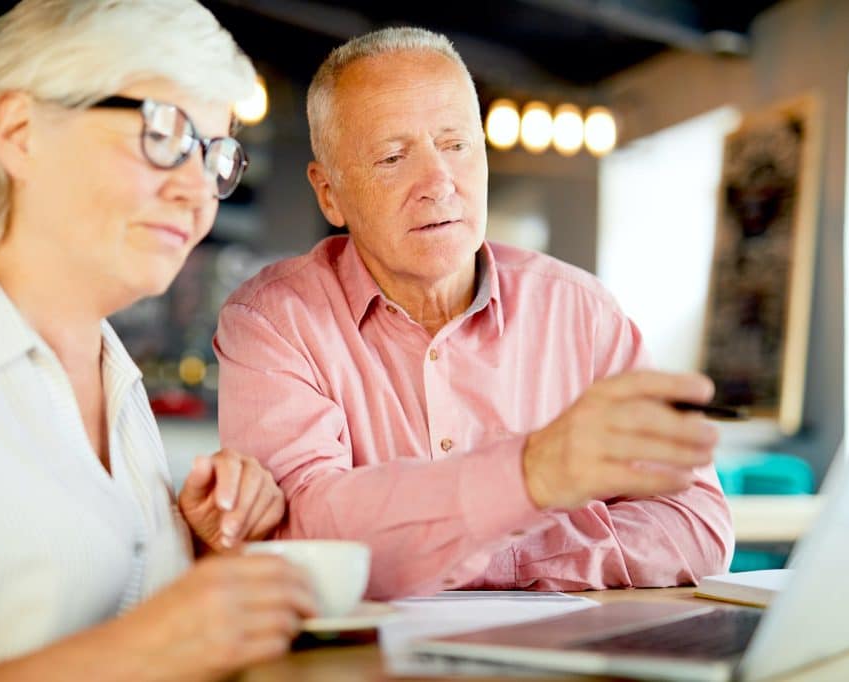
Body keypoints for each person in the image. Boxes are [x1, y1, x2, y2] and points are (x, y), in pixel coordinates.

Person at [213, 27, 735, 601]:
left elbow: (697, 524)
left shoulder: (582, 313)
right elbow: (303, 534)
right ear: (329, 192)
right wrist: (532, 479)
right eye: (392, 156)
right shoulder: (274, 321)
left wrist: (495, 550)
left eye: (457, 145)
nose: (438, 183)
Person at [0, 1, 316, 680]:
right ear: (20, 132)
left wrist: (199, 552)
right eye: (163, 130)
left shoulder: (112, 374)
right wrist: (149, 647)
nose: (198, 189)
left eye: (215, 154)